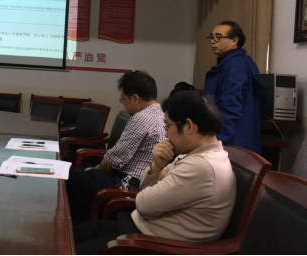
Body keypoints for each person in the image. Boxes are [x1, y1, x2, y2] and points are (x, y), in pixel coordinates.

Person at [75, 90, 237, 255]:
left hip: (151, 243)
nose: (165, 134)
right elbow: (146, 192)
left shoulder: (202, 166)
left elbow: (144, 204)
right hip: (140, 227)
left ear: (188, 126)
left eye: (168, 126)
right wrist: (157, 166)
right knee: (73, 235)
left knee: (71, 247)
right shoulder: (199, 154)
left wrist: (160, 181)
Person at [67, 71, 165, 225]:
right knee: (78, 179)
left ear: (135, 98)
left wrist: (95, 170)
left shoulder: (142, 118)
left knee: (67, 178)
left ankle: (70, 228)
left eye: (123, 99)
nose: (123, 104)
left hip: (126, 183)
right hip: (141, 183)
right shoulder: (161, 115)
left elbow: (115, 160)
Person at [204, 21, 264, 153]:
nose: (213, 41)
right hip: (240, 137)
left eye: (218, 37)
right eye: (212, 37)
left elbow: (230, 107)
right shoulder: (239, 62)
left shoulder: (234, 66)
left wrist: (218, 142)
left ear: (234, 40)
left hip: (231, 140)